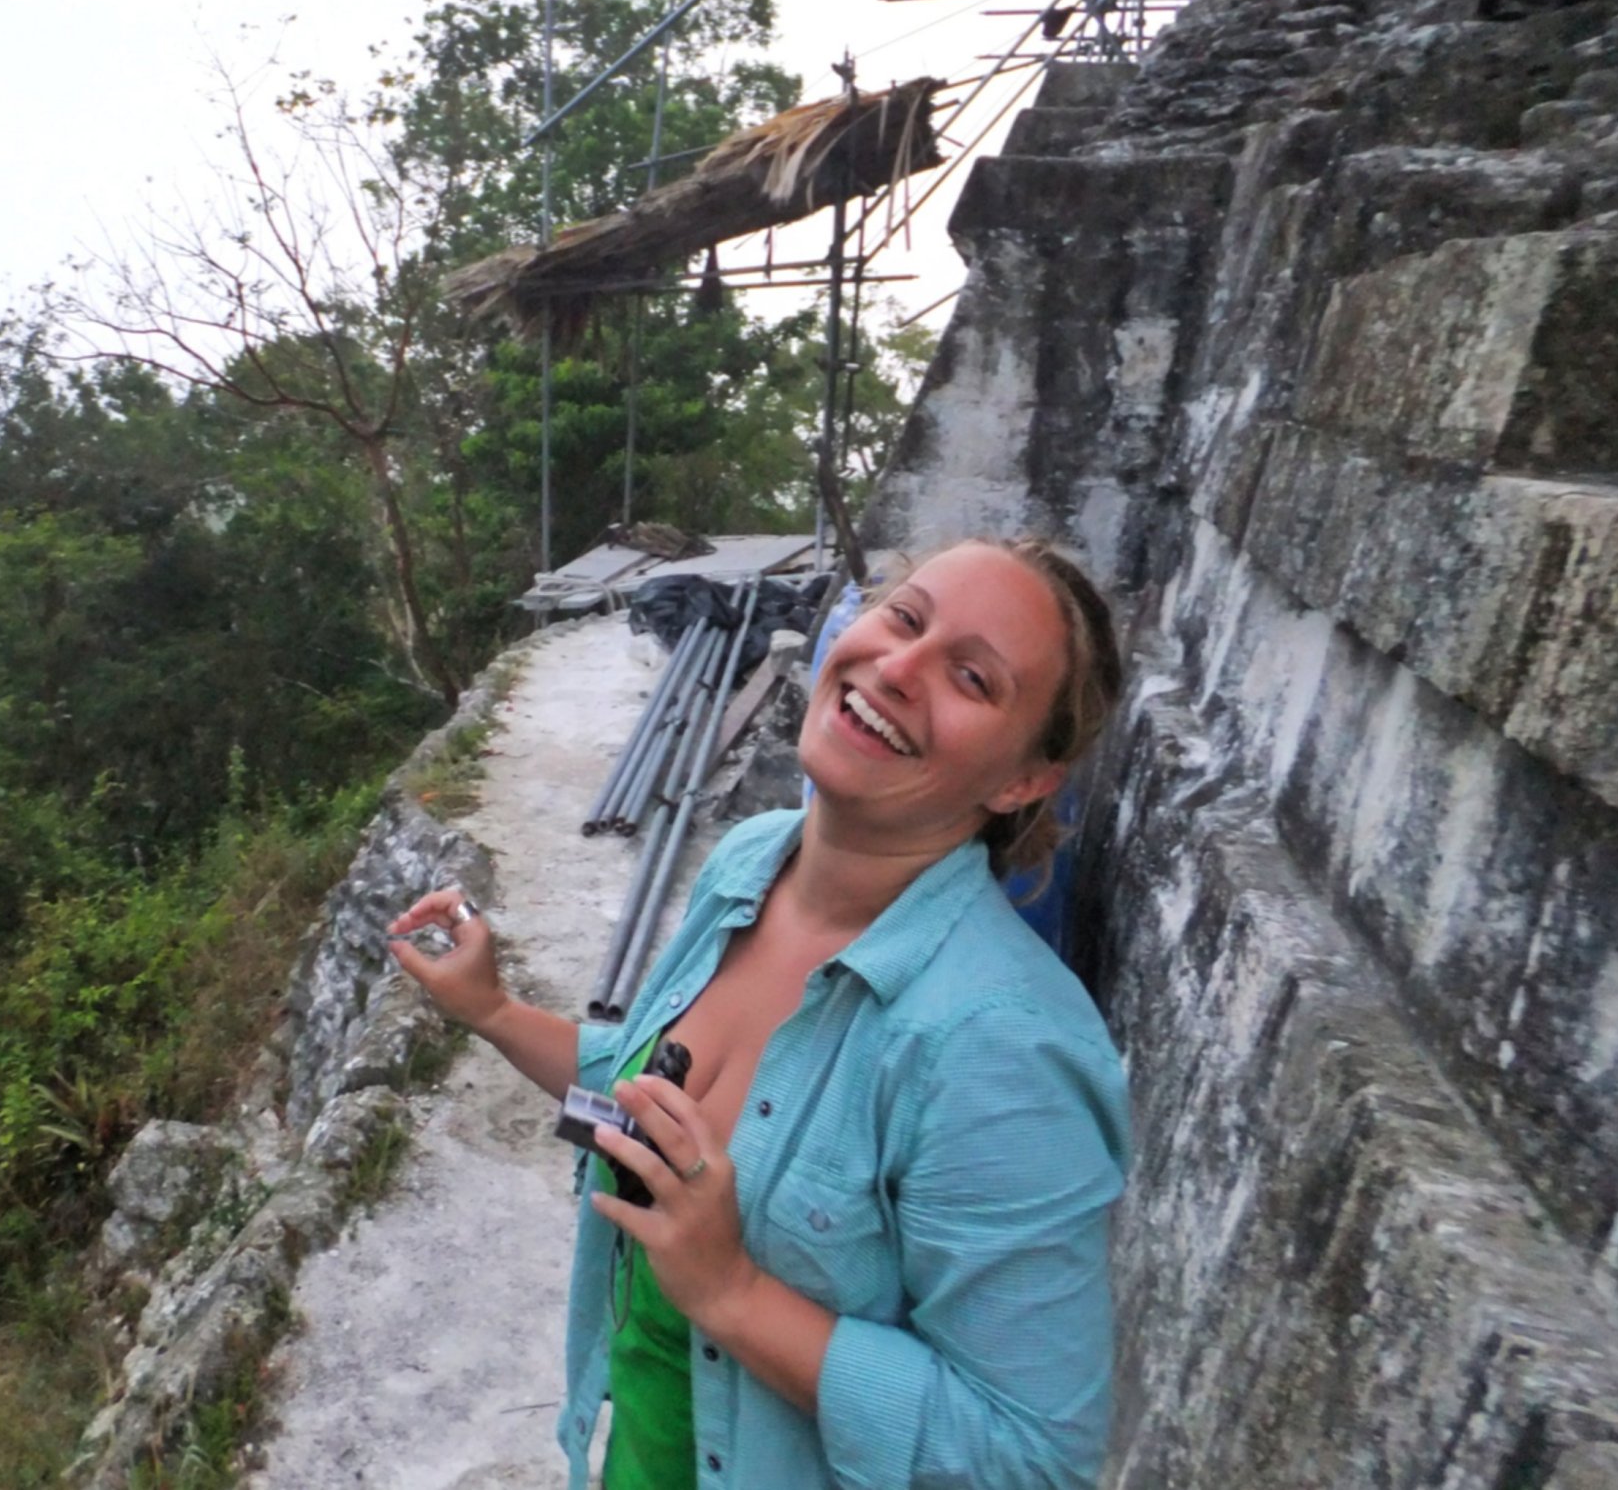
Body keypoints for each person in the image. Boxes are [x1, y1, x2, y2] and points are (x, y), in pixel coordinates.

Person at [387, 538, 1131, 1490]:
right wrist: (490, 1010)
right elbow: (645, 1096)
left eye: (972, 677)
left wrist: (732, 1292)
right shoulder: (752, 858)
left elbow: (1034, 1458)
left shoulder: (1001, 1046)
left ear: (1022, 780)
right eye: (905, 617)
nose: (898, 669)